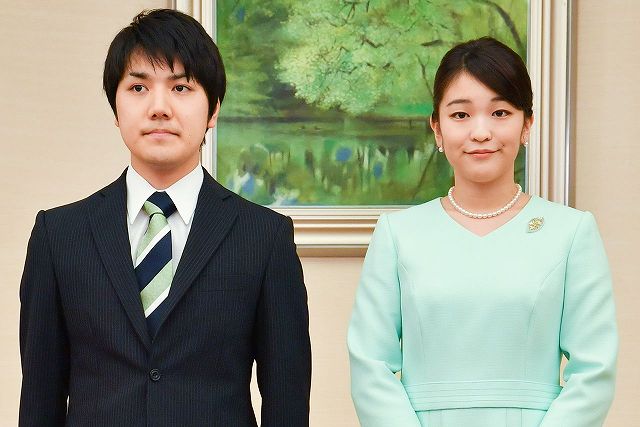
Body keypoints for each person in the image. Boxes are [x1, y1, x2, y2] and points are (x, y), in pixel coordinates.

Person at [19, 9, 311, 426]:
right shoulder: (59, 235)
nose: (159, 108)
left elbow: (287, 401)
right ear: (115, 107)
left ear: (213, 110)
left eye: (181, 87)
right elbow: (39, 398)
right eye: (138, 87)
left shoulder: (264, 237)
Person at [347, 37, 617, 426]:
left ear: (527, 125)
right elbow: (370, 366)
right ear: (437, 129)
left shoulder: (571, 232)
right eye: (460, 115)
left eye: (500, 112)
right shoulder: (397, 234)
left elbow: (594, 371)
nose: (480, 132)